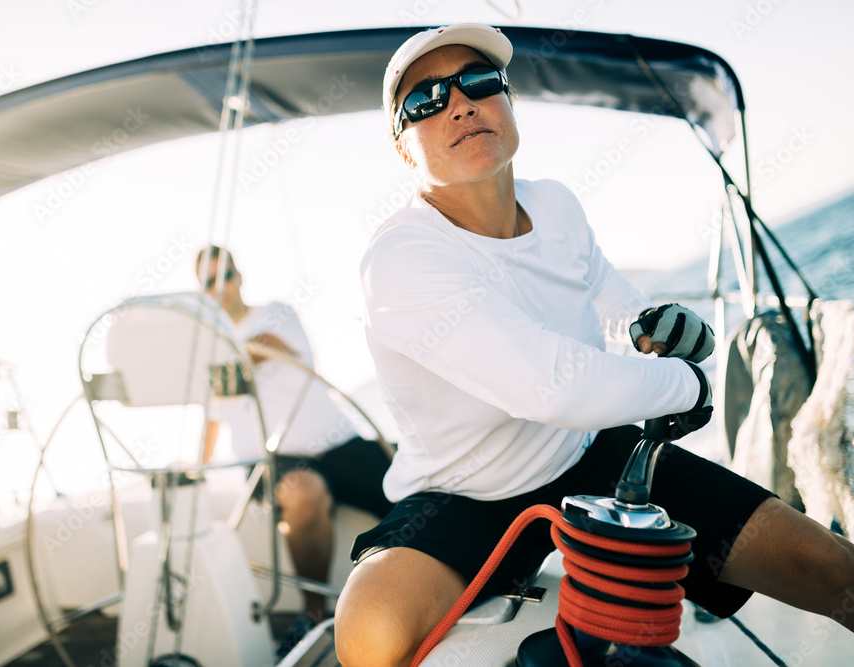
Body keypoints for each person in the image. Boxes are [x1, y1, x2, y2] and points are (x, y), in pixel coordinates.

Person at [333, 23, 854, 667]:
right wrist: (687, 384)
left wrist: (648, 325)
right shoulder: (400, 256)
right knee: (367, 635)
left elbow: (610, 301)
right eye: (426, 101)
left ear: (509, 102)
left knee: (834, 571)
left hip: (589, 461)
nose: (460, 103)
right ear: (404, 149)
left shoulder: (555, 205)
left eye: (477, 82)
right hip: (459, 495)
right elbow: (550, 386)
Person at [195, 245, 394, 657]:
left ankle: (415, 586)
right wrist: (198, 465)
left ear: (239, 275)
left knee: (404, 484)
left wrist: (245, 353)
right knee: (303, 493)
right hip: (274, 458)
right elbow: (212, 414)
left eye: (226, 275)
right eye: (210, 282)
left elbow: (278, 345)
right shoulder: (207, 346)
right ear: (203, 291)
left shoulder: (277, 313)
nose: (222, 287)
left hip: (335, 440)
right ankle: (315, 614)